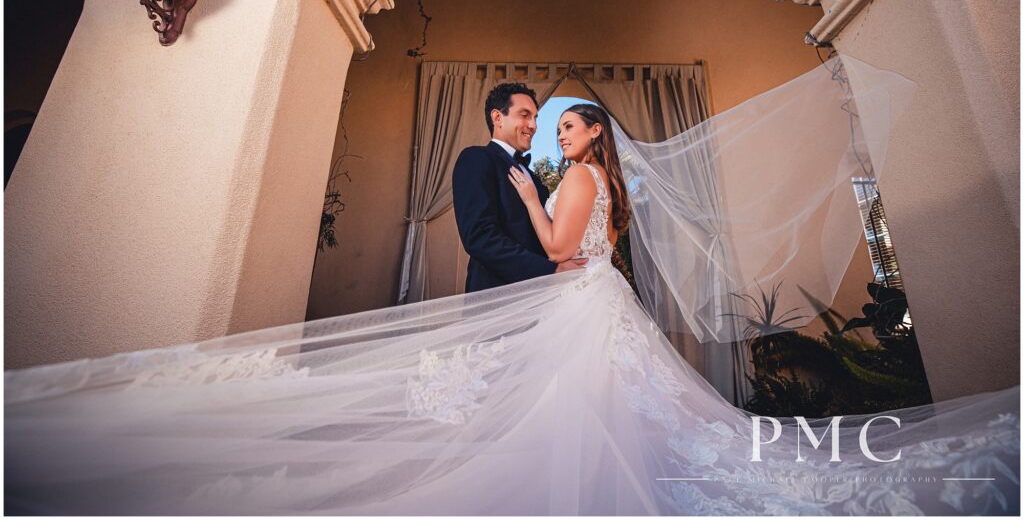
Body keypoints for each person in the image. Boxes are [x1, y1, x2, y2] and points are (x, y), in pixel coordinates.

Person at [5, 62, 1019, 515]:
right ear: (502, 114)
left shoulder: (566, 179)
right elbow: (519, 238)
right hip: (570, 304)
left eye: (556, 117)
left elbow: (554, 244)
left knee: (583, 421)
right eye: (531, 113)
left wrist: (539, 208)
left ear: (580, 135)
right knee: (600, 418)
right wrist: (534, 215)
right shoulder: (522, 167)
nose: (545, 124)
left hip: (572, 305)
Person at [452, 82, 586, 292]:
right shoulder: (476, 159)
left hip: (544, 301)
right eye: (524, 115)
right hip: (497, 300)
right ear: (497, 118)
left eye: (535, 118)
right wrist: (549, 271)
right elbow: (480, 237)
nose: (533, 125)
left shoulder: (532, 176)